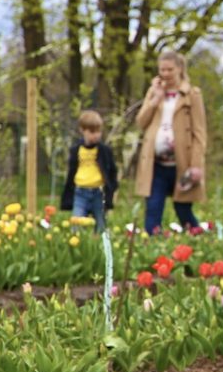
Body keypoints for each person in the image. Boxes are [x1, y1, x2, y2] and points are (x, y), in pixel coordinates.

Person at [135, 50, 207, 234]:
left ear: (180, 69)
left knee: (182, 209)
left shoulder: (192, 94)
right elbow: (141, 122)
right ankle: (152, 251)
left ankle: (200, 241)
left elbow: (199, 132)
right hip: (156, 163)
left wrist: (196, 165)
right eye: (162, 70)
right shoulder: (153, 92)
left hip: (182, 164)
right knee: (153, 208)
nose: (165, 74)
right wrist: (155, 99)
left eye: (170, 70)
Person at [60, 110, 118, 233]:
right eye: (92, 132)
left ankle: (99, 248)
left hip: (98, 192)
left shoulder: (104, 151)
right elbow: (72, 171)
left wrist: (111, 190)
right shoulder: (76, 150)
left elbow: (112, 171)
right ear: (82, 130)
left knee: (101, 225)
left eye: (98, 132)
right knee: (76, 223)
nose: (96, 135)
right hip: (81, 192)